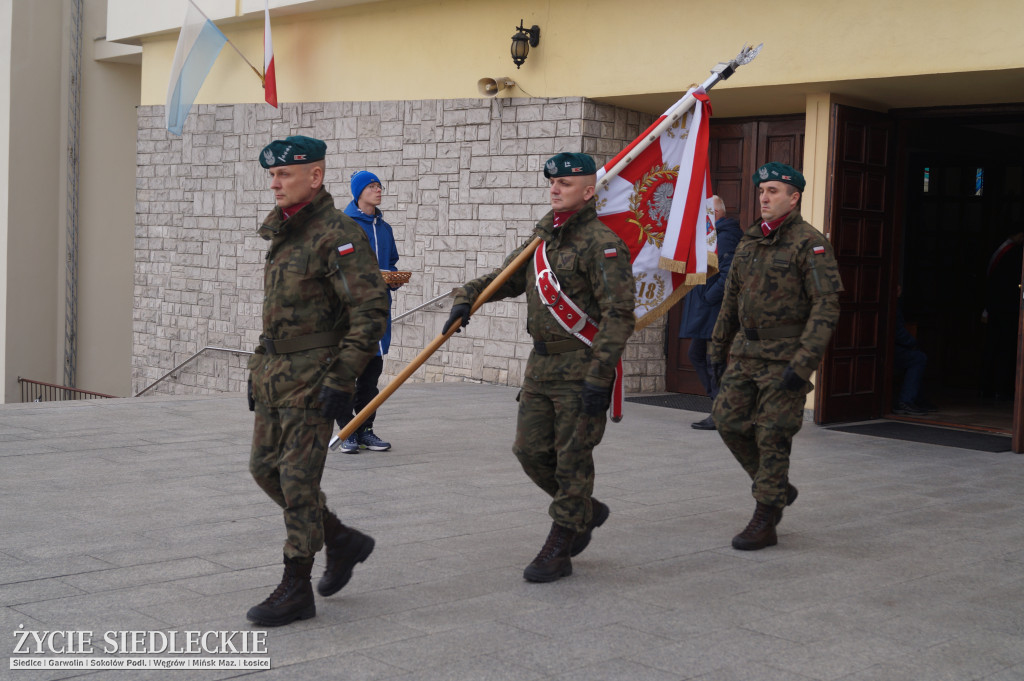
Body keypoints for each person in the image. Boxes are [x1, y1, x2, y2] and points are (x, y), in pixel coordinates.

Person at [443, 152, 635, 583]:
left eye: (565, 184)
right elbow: (506, 277)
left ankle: (560, 541)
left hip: (581, 365)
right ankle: (583, 510)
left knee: (572, 459)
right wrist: (466, 296)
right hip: (542, 365)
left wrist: (600, 376)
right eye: (552, 183)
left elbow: (619, 314)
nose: (554, 189)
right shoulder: (542, 239)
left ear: (588, 192)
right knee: (529, 451)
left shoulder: (602, 244)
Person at [245, 135, 389, 626]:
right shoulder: (286, 231)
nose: (275, 183)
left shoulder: (337, 233)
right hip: (275, 375)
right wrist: (258, 370)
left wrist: (343, 377)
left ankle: (295, 585)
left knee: (298, 481)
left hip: (316, 377)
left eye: (285, 174)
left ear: (317, 175)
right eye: (272, 175)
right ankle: (343, 540)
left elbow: (369, 312)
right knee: (265, 469)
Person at [708, 162, 843, 551]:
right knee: (727, 421)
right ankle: (778, 487)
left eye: (773, 191)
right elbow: (731, 300)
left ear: (793, 197)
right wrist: (716, 348)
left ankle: (765, 516)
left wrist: (803, 363)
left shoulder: (809, 242)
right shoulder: (750, 241)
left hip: (785, 358)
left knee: (772, 434)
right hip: (746, 354)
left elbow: (826, 305)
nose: (764, 198)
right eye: (762, 191)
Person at [336, 170, 402, 454]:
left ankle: (365, 430)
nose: (378, 190)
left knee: (370, 377)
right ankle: (346, 431)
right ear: (359, 192)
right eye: (372, 186)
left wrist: (394, 278)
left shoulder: (385, 229)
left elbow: (392, 264)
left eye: (379, 186)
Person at [678, 195, 743, 430]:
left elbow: (729, 275)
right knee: (698, 355)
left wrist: (708, 297)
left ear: (714, 214)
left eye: (703, 215)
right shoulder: (712, 235)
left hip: (716, 311)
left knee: (711, 359)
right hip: (707, 311)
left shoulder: (725, 237)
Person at [981, 229, 1023, 401]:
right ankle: (997, 389)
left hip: (997, 308)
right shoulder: (1012, 252)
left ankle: (990, 389)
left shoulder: (1003, 249)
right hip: (1004, 309)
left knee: (995, 348)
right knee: (1003, 349)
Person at [892, 289, 929, 415]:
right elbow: (897, 332)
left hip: (893, 347)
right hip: (890, 350)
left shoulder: (894, 304)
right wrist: (912, 343)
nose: (900, 289)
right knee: (919, 358)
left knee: (917, 356)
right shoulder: (891, 305)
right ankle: (906, 401)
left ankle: (918, 399)